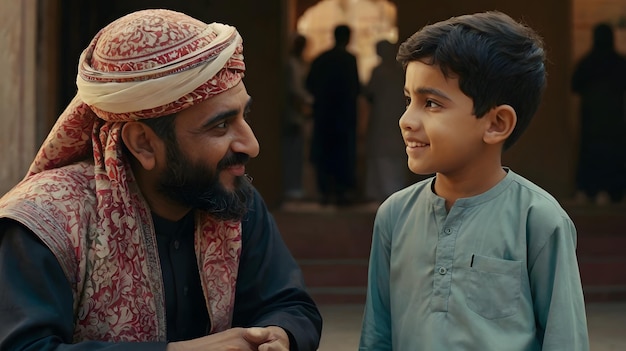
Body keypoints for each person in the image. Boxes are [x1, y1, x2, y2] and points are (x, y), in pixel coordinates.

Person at [0, 9, 322, 351]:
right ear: (143, 143)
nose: (251, 145)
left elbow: (290, 305)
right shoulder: (44, 224)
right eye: (220, 126)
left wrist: (280, 334)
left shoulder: (233, 199)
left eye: (245, 115)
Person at [359, 11, 589, 350]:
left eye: (431, 103)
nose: (407, 119)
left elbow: (564, 340)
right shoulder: (395, 215)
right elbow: (377, 336)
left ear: (496, 123)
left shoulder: (538, 220)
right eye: (409, 100)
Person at [571, 23, 626, 205]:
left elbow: (575, 86)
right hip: (615, 121)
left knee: (591, 154)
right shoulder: (619, 63)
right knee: (613, 155)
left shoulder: (587, 63)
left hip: (591, 120)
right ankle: (613, 192)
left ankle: (588, 190)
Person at [306, 24, 360, 206]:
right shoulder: (349, 59)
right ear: (348, 38)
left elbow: (309, 84)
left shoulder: (322, 59)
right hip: (344, 116)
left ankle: (325, 192)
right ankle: (341, 192)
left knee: (324, 153)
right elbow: (356, 88)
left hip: (324, 114)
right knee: (343, 154)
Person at [362, 40, 408, 204]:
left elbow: (369, 92)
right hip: (391, 118)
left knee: (386, 157)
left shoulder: (381, 72)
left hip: (385, 120)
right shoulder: (400, 71)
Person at [282, 34, 313, 202]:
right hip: (294, 114)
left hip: (299, 114)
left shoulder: (298, 63)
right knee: (293, 153)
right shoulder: (292, 65)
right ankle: (292, 188)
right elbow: (295, 91)